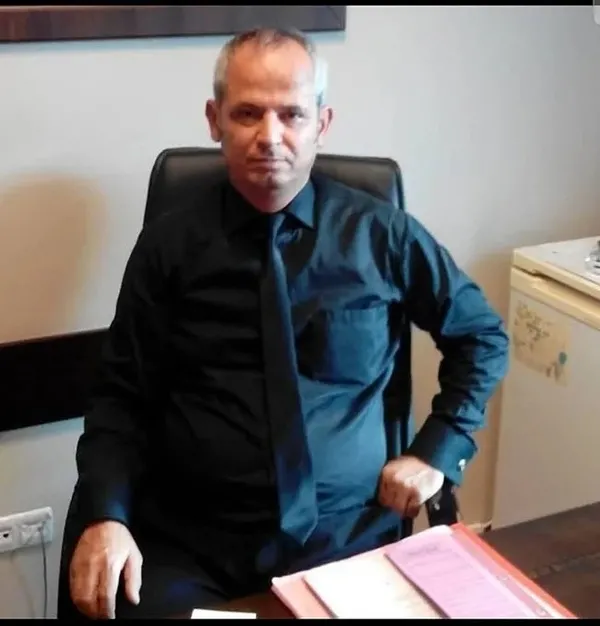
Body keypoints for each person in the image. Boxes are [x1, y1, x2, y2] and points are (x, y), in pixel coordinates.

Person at [60, 27, 509, 620]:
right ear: (215, 120)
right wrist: (106, 517)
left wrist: (437, 450)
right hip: (192, 545)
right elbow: (121, 398)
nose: (270, 137)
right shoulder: (168, 247)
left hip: (346, 543)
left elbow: (481, 337)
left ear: (322, 123)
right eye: (247, 113)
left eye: (292, 114)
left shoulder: (383, 236)